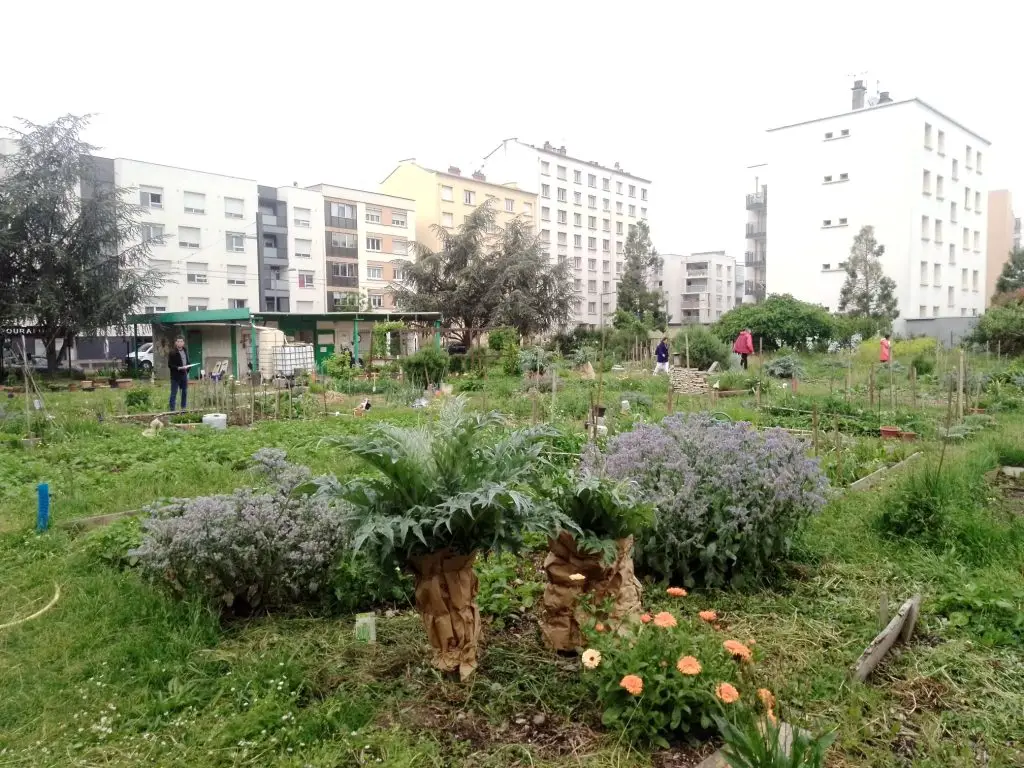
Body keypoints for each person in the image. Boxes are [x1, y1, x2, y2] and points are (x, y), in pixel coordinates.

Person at [168, 337, 190, 411]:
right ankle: (172, 409)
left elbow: (188, 362)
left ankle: (183, 408)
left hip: (184, 375)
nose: (180, 343)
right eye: (178, 341)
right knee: (174, 393)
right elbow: (170, 365)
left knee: (184, 392)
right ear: (176, 343)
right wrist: (178, 368)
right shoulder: (172, 352)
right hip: (175, 376)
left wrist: (187, 368)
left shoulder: (185, 351)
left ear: (183, 343)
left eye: (181, 341)